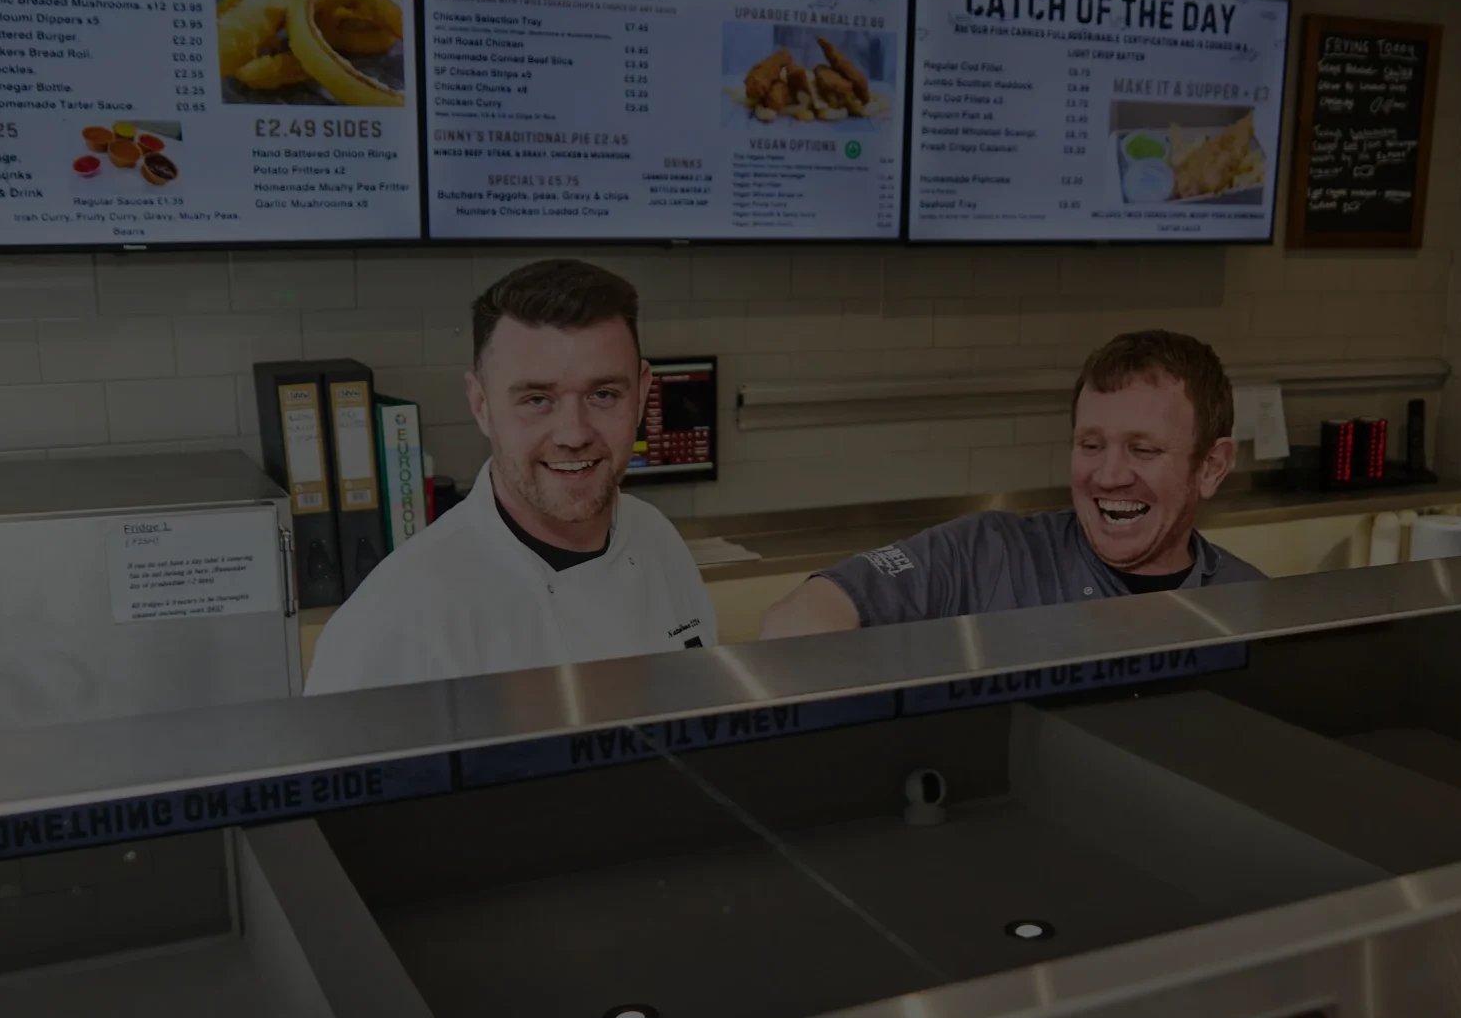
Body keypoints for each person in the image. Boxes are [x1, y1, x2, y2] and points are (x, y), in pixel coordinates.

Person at [306, 260, 715, 694]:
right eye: (537, 399)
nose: (574, 434)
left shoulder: (656, 539)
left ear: (643, 392)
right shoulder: (395, 623)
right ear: (481, 404)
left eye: (603, 395)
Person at [759, 329, 1263, 637]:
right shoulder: (986, 555)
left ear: (1212, 466)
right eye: (1090, 446)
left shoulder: (1253, 606)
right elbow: (799, 618)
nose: (1109, 475)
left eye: (1144, 449)